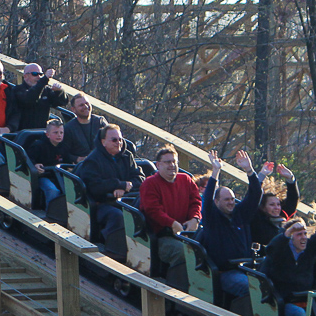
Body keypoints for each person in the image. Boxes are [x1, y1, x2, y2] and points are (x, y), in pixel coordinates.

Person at [196, 150, 261, 301]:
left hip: (246, 268)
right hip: (225, 273)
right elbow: (207, 199)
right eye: (226, 200)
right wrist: (215, 172)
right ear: (217, 202)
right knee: (251, 289)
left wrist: (249, 171)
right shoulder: (212, 219)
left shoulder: (240, 215)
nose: (231, 202)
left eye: (232, 199)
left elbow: (255, 195)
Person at [77, 124, 145, 261]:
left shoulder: (127, 156)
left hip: (127, 200)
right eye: (114, 140)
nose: (118, 143)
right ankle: (115, 252)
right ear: (103, 142)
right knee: (118, 216)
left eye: (120, 139)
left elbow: (140, 179)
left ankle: (140, 255)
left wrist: (125, 187)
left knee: (141, 215)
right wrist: (118, 184)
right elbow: (94, 187)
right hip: (102, 203)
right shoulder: (93, 160)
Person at [139, 145, 201, 290]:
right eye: (167, 162)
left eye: (174, 162)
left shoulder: (186, 179)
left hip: (187, 232)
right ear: (158, 165)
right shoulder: (150, 184)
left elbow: (196, 201)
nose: (172, 165)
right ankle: (177, 290)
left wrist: (195, 218)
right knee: (183, 253)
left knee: (208, 249)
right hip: (162, 236)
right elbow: (152, 210)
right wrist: (171, 223)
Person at [251, 164, 300, 246]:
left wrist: (290, 179)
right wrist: (262, 175)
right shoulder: (257, 220)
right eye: (272, 205)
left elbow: (293, 199)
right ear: (263, 207)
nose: (276, 208)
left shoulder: (283, 218)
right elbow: (253, 196)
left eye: (278, 204)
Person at [27, 119, 71, 209]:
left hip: (59, 176)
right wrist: (35, 165)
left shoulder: (64, 147)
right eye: (55, 132)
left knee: (71, 190)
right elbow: (28, 159)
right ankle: (51, 213)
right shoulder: (38, 145)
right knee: (52, 190)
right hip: (44, 176)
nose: (59, 135)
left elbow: (68, 162)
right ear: (47, 134)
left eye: (61, 133)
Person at [14, 64, 71, 130]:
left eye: (41, 74)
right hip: (22, 133)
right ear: (25, 76)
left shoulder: (45, 90)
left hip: (42, 132)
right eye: (35, 74)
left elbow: (62, 102)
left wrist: (59, 91)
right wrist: (44, 79)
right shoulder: (18, 90)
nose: (39, 77)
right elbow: (30, 98)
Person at [62, 93, 108, 163]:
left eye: (87, 103)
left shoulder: (100, 121)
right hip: (82, 167)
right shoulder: (68, 128)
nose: (86, 106)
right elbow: (63, 152)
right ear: (73, 109)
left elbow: (112, 140)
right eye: (81, 105)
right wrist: (76, 159)